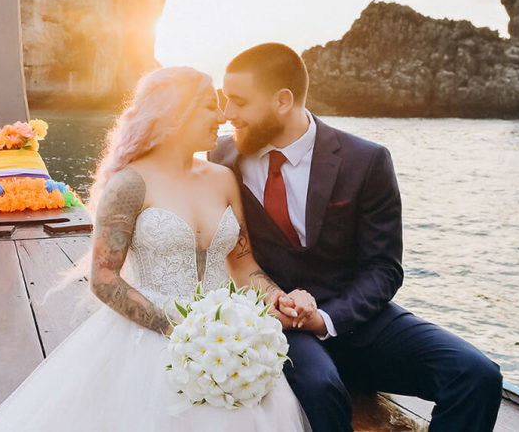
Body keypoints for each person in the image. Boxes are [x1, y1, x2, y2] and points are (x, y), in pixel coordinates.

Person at [0, 66, 312, 431]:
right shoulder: (129, 184)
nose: (222, 116)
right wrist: (180, 332)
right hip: (152, 339)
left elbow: (243, 264)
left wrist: (278, 298)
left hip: (229, 344)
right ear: (174, 113)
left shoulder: (223, 178)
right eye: (208, 106)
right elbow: (104, 278)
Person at [208, 43, 503, 432]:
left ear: (282, 100)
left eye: (239, 102)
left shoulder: (366, 160)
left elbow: (384, 268)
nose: (228, 114)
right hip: (277, 320)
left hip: (359, 320)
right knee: (321, 388)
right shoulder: (222, 159)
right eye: (225, 100)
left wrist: (327, 319)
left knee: (478, 374)